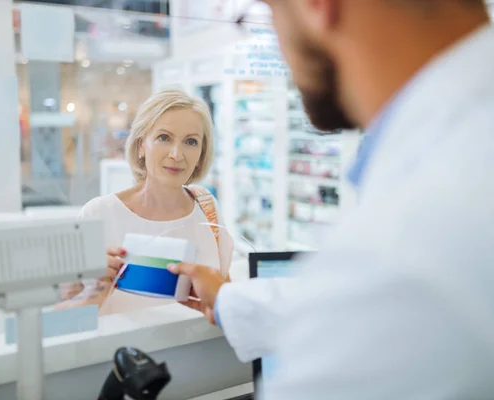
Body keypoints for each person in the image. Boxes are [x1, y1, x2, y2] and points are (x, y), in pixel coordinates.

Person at [169, 0, 494, 398]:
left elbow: (374, 303)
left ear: (317, 5)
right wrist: (228, 299)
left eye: (268, 14)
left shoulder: (408, 235)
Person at [56, 89, 233, 315]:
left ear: (201, 153)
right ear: (141, 145)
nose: (177, 154)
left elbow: (226, 298)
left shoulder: (207, 207)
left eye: (190, 141)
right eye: (164, 138)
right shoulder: (98, 214)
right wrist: (96, 291)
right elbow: (61, 322)